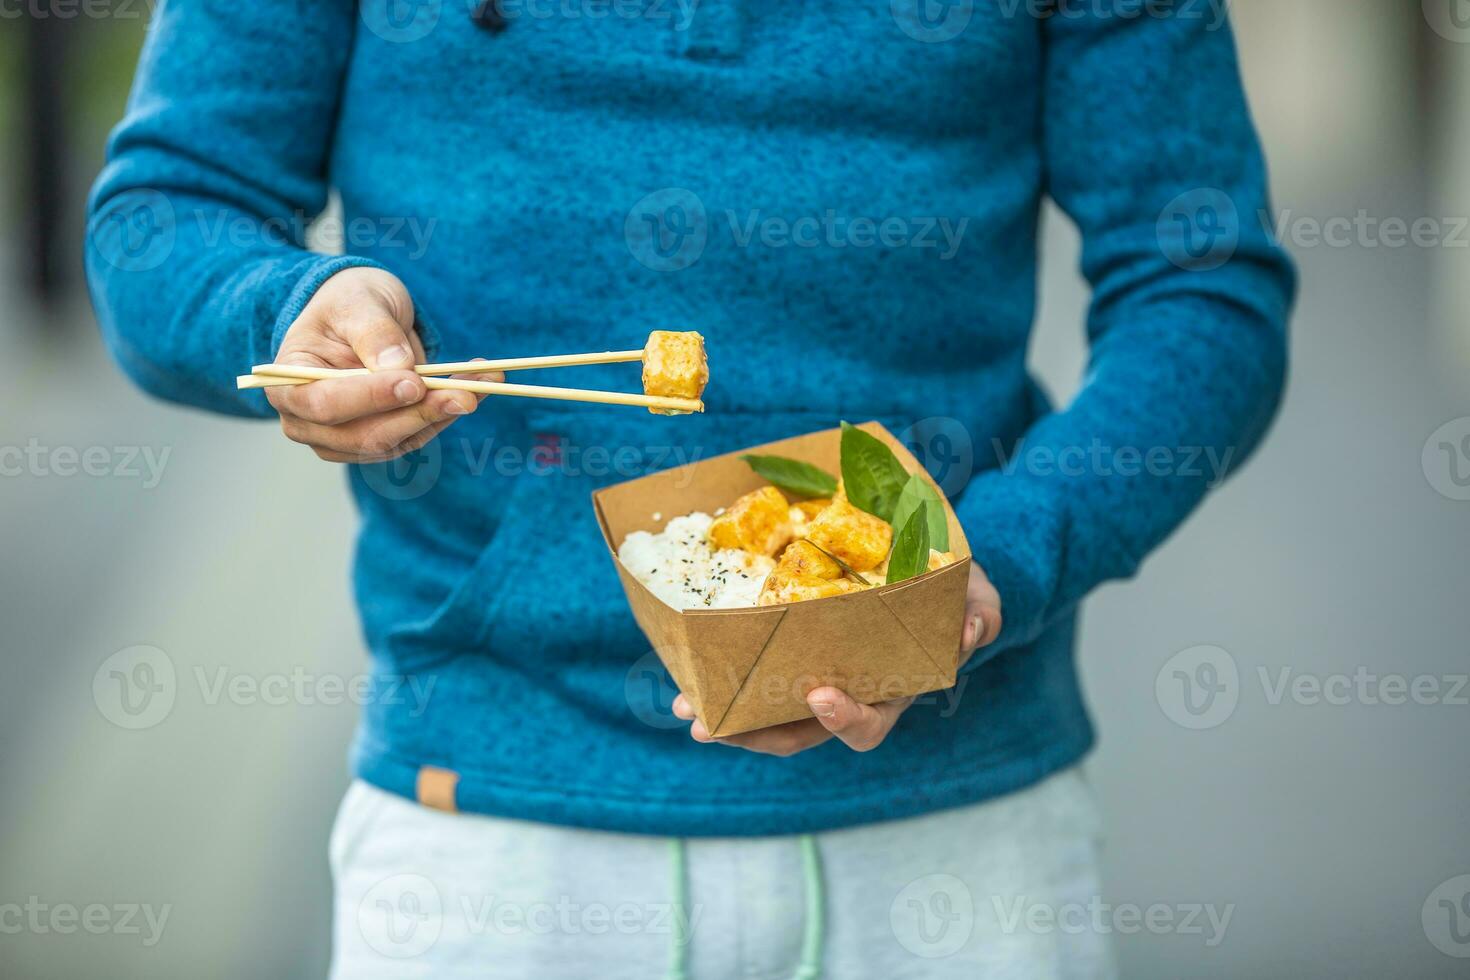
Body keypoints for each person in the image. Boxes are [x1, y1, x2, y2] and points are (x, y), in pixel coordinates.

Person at [87, 2, 1293, 976]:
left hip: (962, 846)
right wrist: (278, 313)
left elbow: (1203, 280)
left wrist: (1000, 564)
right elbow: (167, 207)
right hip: (490, 838)